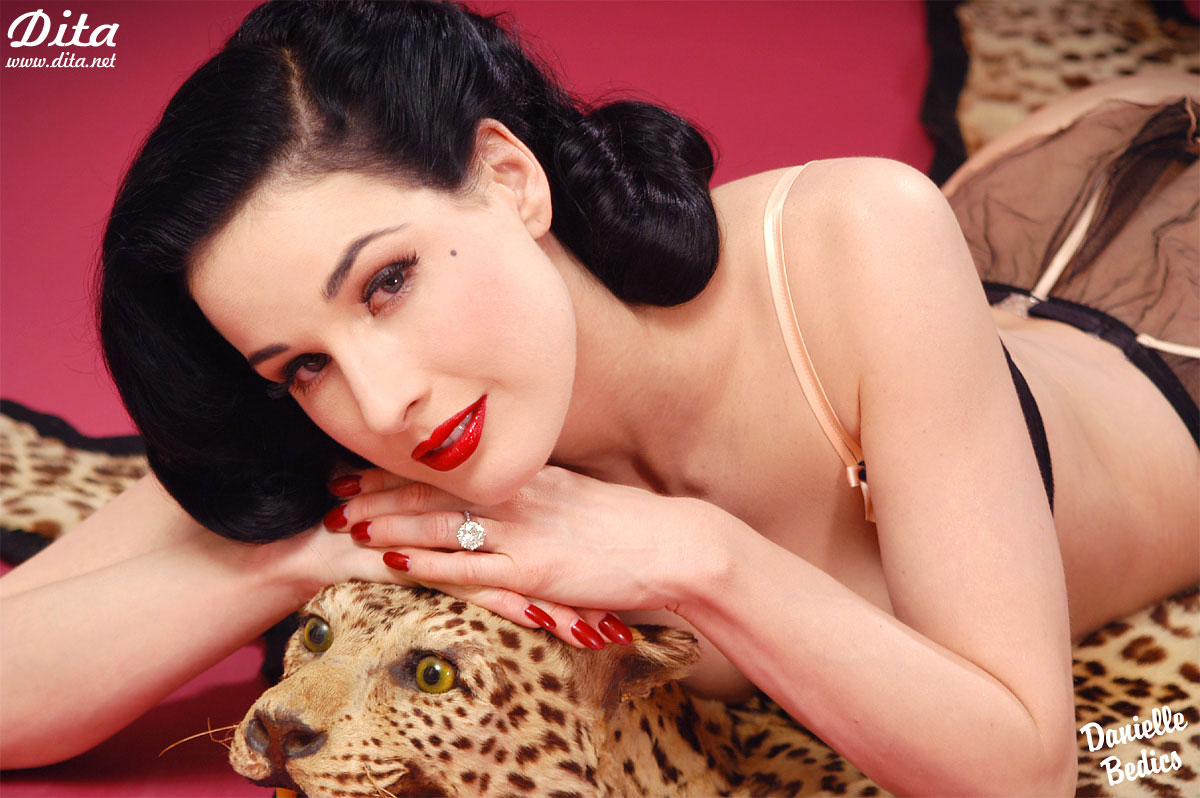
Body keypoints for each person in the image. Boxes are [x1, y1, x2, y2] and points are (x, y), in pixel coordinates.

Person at [1, 1, 1196, 793]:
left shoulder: (861, 235)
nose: (382, 399)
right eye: (299, 364)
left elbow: (1022, 770)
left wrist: (695, 559)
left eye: (388, 282)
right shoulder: (380, 433)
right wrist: (310, 550)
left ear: (508, 176)